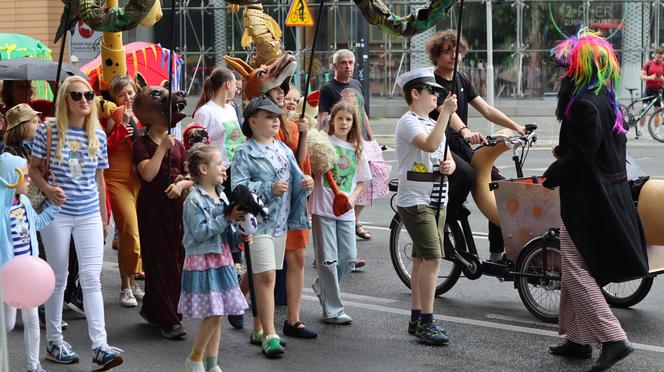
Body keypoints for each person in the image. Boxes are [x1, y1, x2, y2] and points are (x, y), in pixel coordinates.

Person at [544, 29, 649, 371]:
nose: (563, 72)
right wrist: (566, 152)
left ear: (581, 69)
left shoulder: (586, 104)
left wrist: (554, 171)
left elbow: (583, 158)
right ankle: (577, 340)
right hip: (603, 193)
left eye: (568, 66)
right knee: (579, 265)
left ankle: (612, 337)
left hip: (589, 199)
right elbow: (599, 148)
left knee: (574, 269)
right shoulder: (605, 100)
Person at [29, 76, 124, 369]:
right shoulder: (47, 131)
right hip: (56, 214)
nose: (84, 100)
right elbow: (33, 170)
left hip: (88, 214)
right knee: (58, 277)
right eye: (76, 96)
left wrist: (103, 216)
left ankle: (100, 345)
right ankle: (54, 342)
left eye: (88, 95)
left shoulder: (96, 132)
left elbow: (99, 179)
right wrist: (47, 189)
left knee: (92, 278)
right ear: (64, 100)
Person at [426, 30, 525, 263]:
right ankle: (441, 227)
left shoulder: (461, 79)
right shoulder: (430, 82)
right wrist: (465, 131)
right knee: (467, 174)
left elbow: (487, 110)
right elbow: (446, 112)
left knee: (500, 186)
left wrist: (517, 127)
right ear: (436, 55)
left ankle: (496, 253)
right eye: (448, 52)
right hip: (441, 143)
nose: (454, 56)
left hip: (462, 143)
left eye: (458, 51)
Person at [231, 95, 313, 358]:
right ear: (253, 122)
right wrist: (268, 188)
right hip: (256, 225)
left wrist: (306, 183)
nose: (275, 121)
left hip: (281, 223)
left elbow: (297, 177)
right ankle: (270, 334)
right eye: (268, 116)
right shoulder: (245, 151)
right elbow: (238, 188)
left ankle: (257, 327)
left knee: (266, 276)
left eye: (276, 116)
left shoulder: (283, 149)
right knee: (266, 277)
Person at [394, 68, 456, 346]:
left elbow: (447, 158)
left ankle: (417, 317)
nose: (437, 96)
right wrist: (446, 113)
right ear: (415, 93)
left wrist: (449, 166)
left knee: (421, 259)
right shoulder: (408, 122)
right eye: (431, 91)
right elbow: (430, 146)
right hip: (416, 201)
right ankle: (427, 323)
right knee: (433, 259)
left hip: (437, 197)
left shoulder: (432, 123)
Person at [180, 144, 248, 372]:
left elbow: (227, 229)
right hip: (203, 260)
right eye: (218, 163)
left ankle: (211, 363)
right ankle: (194, 359)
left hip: (222, 258)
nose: (223, 167)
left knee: (218, 313)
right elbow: (199, 233)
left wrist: (240, 232)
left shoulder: (221, 196)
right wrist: (226, 218)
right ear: (203, 169)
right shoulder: (194, 200)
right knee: (214, 312)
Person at [133, 93, 193, 340]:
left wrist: (182, 184)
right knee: (158, 261)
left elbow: (192, 175)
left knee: (176, 259)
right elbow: (147, 174)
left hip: (175, 208)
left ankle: (154, 308)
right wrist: (162, 149)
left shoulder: (179, 144)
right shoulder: (140, 143)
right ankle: (169, 318)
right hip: (152, 209)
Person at [318, 49, 380, 266]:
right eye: (343, 63)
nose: (348, 66)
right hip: (339, 144)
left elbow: (361, 113)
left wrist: (370, 137)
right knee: (338, 187)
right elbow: (324, 118)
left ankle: (355, 222)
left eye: (351, 62)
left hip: (359, 141)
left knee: (365, 184)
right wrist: (329, 139)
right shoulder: (328, 88)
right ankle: (326, 254)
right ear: (335, 66)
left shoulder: (356, 84)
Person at [310, 101, 371, 325]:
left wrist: (352, 200)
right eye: (340, 119)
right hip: (322, 208)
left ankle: (322, 285)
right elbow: (313, 169)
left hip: (345, 210)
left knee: (347, 258)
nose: (344, 123)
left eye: (348, 119)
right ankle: (333, 310)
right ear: (332, 121)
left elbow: (362, 182)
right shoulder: (322, 143)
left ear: (353, 123)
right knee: (328, 260)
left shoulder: (357, 148)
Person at [1, 153, 61, 372]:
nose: (29, 180)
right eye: (24, 176)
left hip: (29, 276)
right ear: (10, 177)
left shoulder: (24, 202)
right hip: (7, 277)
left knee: (33, 320)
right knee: (6, 325)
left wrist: (55, 205)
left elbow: (38, 223)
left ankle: (33, 366)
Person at [266, 86, 317, 338]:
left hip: (295, 198)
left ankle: (293, 320)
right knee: (266, 261)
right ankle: (240, 298)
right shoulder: (269, 126)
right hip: (275, 201)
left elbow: (301, 162)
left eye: (295, 100)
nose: (291, 103)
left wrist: (305, 134)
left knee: (297, 258)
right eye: (286, 98)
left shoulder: (295, 126)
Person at [105, 75, 144, 308]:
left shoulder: (145, 112)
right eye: (121, 94)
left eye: (130, 92)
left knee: (139, 231)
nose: (127, 97)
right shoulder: (113, 114)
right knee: (130, 232)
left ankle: (132, 278)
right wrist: (121, 127)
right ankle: (125, 286)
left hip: (139, 178)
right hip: (116, 178)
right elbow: (106, 148)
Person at [193, 67, 245, 168]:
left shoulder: (231, 109)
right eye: (235, 85)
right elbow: (196, 147)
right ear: (228, 84)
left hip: (237, 168)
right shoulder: (205, 113)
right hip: (217, 170)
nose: (237, 90)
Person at [638, 47, 664, 136]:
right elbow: (641, 77)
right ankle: (640, 130)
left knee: (657, 113)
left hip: (659, 92)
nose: (659, 59)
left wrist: (662, 79)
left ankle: (656, 131)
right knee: (644, 110)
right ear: (655, 55)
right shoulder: (648, 64)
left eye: (661, 57)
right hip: (649, 91)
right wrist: (650, 77)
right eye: (658, 57)